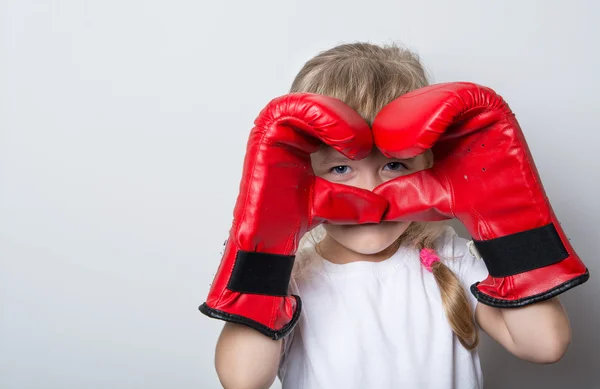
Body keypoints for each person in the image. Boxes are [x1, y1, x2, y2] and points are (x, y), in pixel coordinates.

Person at [199, 42, 589, 389]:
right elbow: (242, 379)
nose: (371, 196)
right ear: (298, 176)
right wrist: (264, 242)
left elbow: (545, 344)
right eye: (340, 169)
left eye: (394, 167)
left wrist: (509, 213)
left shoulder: (450, 259)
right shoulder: (292, 280)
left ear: (433, 165)